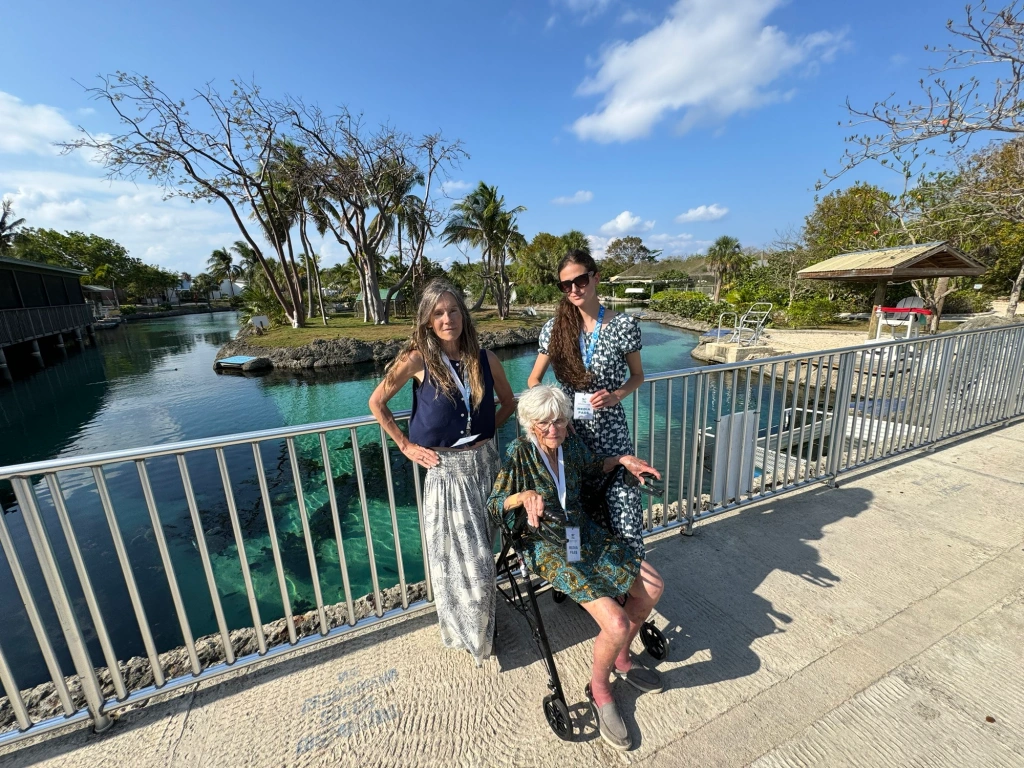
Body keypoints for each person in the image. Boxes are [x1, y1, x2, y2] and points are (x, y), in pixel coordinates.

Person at [487, 385, 665, 752]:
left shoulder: (569, 445)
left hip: (580, 532)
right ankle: (599, 688)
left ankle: (620, 656)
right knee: (615, 622)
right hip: (546, 543)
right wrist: (523, 496)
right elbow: (494, 504)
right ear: (530, 424)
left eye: (559, 421)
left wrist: (623, 459)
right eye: (544, 423)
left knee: (652, 587)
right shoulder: (521, 453)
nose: (553, 429)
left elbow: (594, 465)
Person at [369, 279, 516, 666]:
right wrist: (405, 445)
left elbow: (508, 402)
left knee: (484, 554)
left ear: (463, 315)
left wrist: (484, 434)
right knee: (465, 564)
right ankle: (474, 638)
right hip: (447, 474)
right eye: (438, 313)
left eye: (453, 310)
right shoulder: (417, 360)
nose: (447, 318)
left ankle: (481, 625)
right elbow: (377, 402)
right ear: (428, 321)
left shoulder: (486, 359)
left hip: (486, 466)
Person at [527, 249, 649, 558]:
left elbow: (637, 376)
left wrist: (616, 395)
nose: (574, 289)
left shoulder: (623, 326)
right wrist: (558, 413)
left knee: (623, 510)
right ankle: (585, 574)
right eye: (565, 285)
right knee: (576, 514)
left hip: (611, 434)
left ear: (595, 278)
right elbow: (533, 380)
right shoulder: (554, 329)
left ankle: (630, 571)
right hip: (569, 435)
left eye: (580, 280)